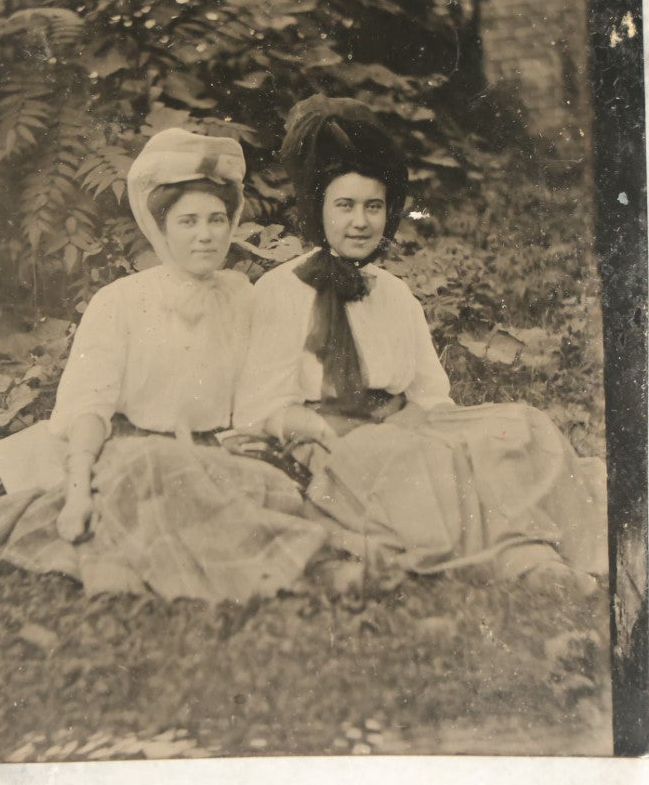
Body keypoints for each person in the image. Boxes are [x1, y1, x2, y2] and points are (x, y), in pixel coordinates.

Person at [234, 96, 608, 593]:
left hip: (406, 422)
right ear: (318, 210)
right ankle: (517, 559)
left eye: (373, 207)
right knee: (414, 455)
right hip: (328, 437)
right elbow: (259, 407)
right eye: (344, 206)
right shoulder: (281, 292)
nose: (360, 222)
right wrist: (323, 429)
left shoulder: (394, 293)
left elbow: (430, 394)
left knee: (519, 426)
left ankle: (541, 549)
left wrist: (445, 430)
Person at [0, 128, 325, 602]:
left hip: (218, 457)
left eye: (217, 219)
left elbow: (260, 394)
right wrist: (77, 492)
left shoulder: (241, 295)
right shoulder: (120, 301)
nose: (206, 235)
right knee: (161, 472)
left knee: (272, 496)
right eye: (188, 221)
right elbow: (88, 406)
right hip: (135, 457)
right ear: (161, 227)